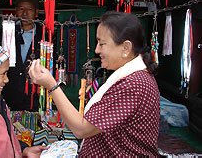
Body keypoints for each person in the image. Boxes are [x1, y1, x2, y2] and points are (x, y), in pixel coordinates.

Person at [28, 11, 160, 157]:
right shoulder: (130, 78)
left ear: (126, 48)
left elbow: (81, 129)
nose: (97, 50)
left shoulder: (133, 85)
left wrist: (51, 85)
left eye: (102, 44)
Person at [0, 0, 43, 111]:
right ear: (16, 11)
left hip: (34, 98)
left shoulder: (44, 35)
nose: (24, 13)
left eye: (29, 9)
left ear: (36, 13)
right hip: (8, 95)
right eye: (21, 9)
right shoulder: (5, 33)